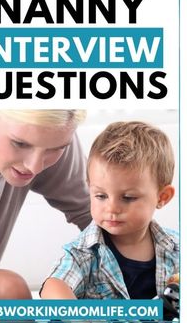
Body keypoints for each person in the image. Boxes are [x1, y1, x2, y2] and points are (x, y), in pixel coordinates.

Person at [0, 109, 92, 319]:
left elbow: (102, 215)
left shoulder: (51, 129)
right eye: (20, 144)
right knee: (10, 290)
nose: (34, 166)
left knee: (10, 294)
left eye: (55, 149)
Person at [40, 121, 179, 300]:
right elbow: (54, 286)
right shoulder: (82, 254)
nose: (112, 208)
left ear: (162, 197)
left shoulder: (177, 247)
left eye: (128, 198)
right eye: (101, 196)